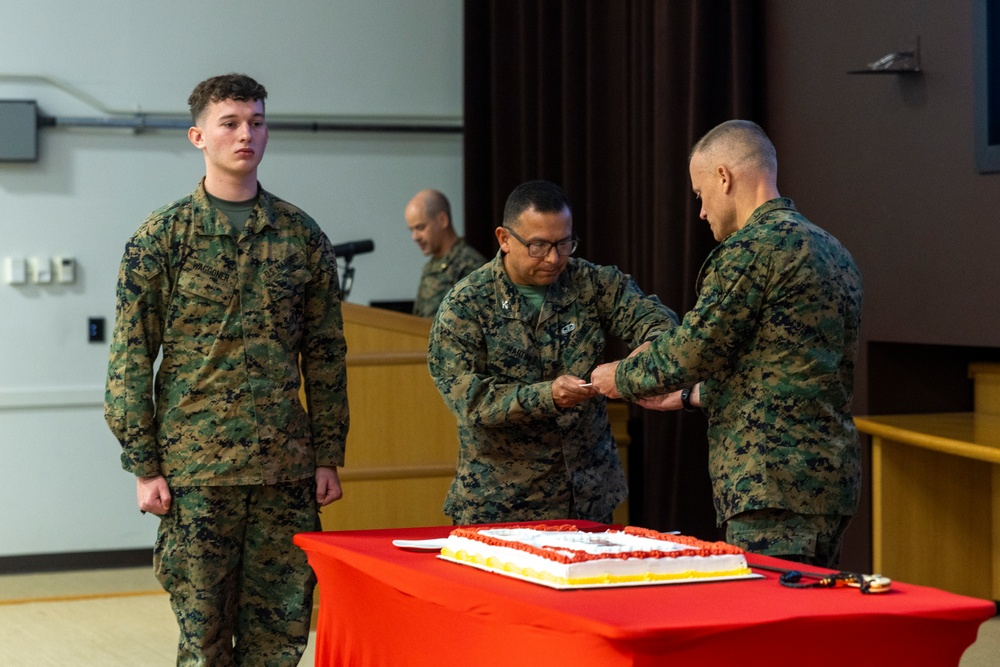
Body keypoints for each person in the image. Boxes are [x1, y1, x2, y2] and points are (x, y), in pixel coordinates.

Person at [104, 73, 349, 665]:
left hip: (283, 473)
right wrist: (144, 465)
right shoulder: (161, 238)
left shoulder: (300, 236)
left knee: (280, 638)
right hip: (197, 473)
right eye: (231, 123)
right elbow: (131, 358)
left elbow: (325, 353)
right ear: (198, 136)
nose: (247, 134)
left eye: (257, 122)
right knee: (204, 639)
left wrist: (327, 454)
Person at [590, 120, 863, 568]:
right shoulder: (832, 250)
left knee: (768, 629)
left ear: (724, 177)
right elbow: (787, 368)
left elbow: (694, 349)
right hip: (830, 481)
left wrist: (616, 377)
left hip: (770, 488)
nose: (700, 211)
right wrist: (688, 397)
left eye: (700, 194)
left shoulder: (752, 250)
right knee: (812, 627)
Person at [428, 179, 678, 525]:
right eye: (538, 246)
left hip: (586, 499)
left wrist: (651, 345)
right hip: (501, 503)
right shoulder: (467, 304)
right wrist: (548, 396)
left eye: (564, 243)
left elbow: (656, 319)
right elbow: (470, 401)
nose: (554, 258)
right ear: (504, 239)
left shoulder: (590, 283)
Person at [405, 189, 486, 317]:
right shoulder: (430, 267)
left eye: (420, 228)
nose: (415, 237)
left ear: (442, 220)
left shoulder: (471, 265)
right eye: (412, 230)